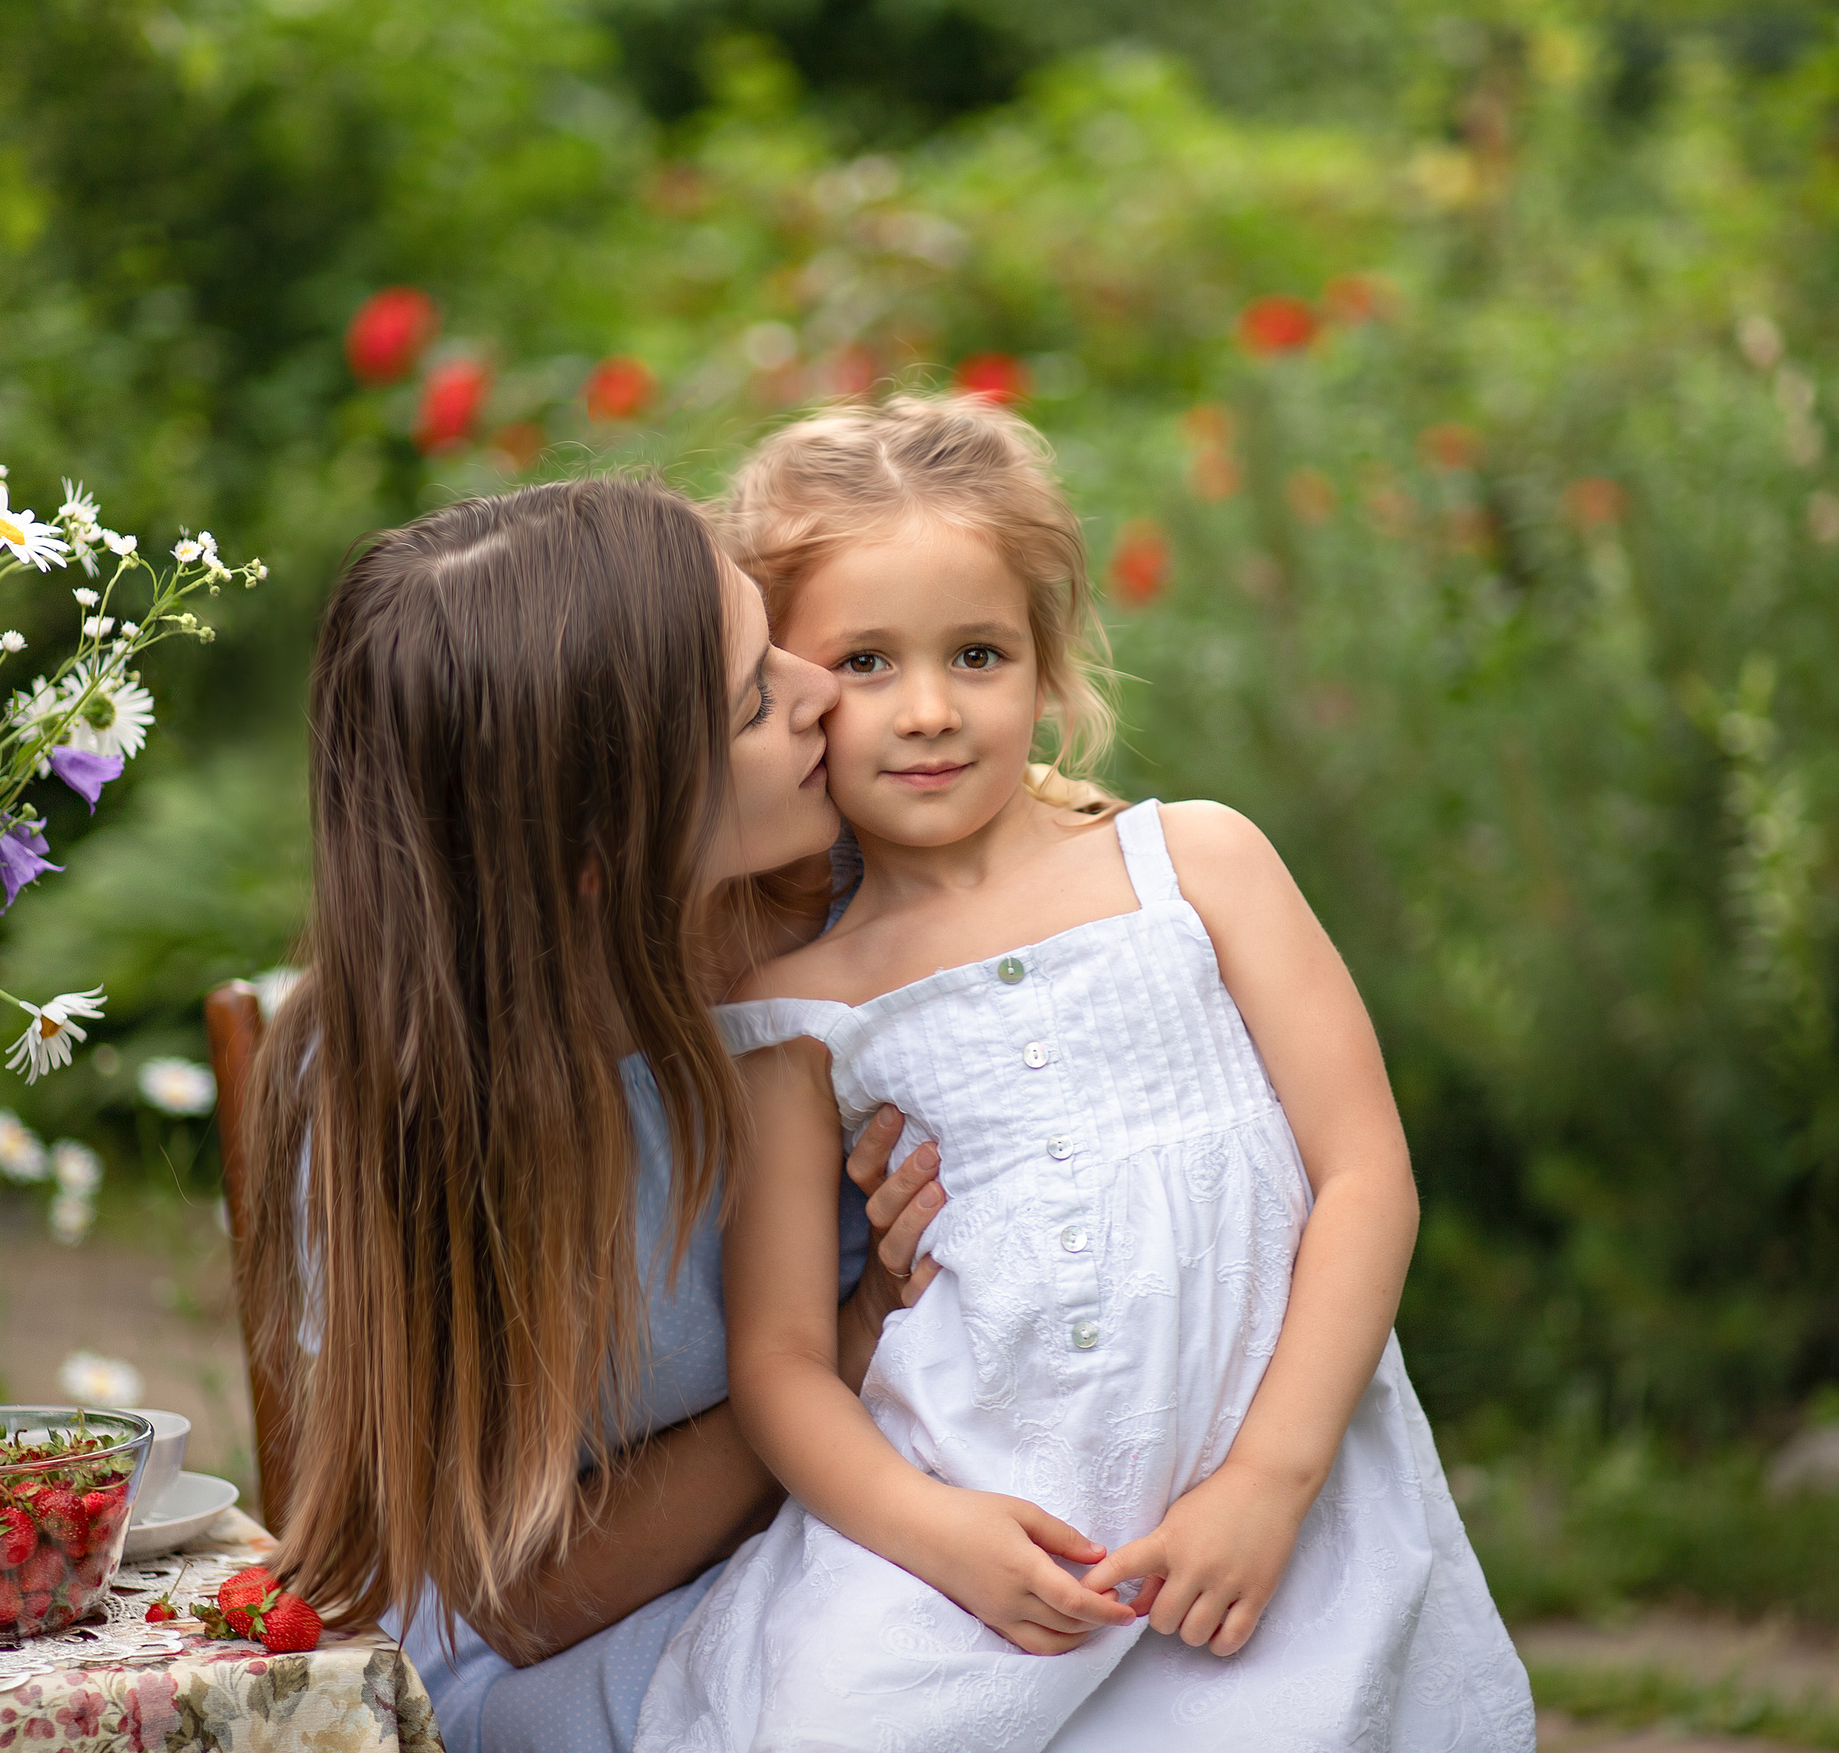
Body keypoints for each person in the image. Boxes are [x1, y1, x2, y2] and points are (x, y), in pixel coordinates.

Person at [633, 398, 1534, 1751]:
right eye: (866, 660)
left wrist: (1272, 1481)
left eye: (978, 652)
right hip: (985, 1530)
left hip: (1262, 1509)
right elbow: (779, 1360)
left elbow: (1365, 1175)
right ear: (793, 688)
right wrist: (935, 1534)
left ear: (1049, 665)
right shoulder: (795, 1006)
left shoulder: (1198, 865)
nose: (929, 709)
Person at [240, 476, 960, 1753]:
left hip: (873, 1559)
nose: (820, 691)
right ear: (597, 841)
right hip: (599, 1661)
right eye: (755, 701)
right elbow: (520, 1601)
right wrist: (829, 1351)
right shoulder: (396, 1114)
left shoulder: (867, 898)